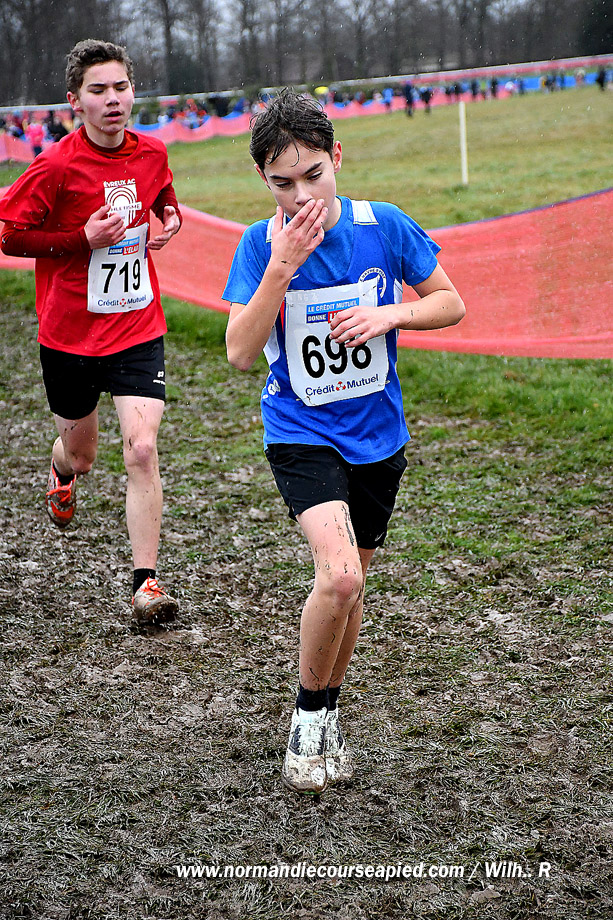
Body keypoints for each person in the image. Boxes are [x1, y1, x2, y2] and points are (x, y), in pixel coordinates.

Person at [223, 90, 465, 794]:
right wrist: (279, 268)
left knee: (350, 589)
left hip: (378, 436)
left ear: (337, 157)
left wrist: (389, 315)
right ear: (263, 180)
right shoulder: (258, 243)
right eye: (282, 183)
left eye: (312, 175)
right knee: (340, 577)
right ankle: (304, 721)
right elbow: (239, 352)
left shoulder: (381, 225)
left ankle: (328, 712)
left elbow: (450, 302)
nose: (301, 196)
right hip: (300, 430)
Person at [0, 39, 182, 625]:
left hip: (137, 325)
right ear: (75, 101)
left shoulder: (152, 152)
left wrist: (170, 215)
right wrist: (81, 239)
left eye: (121, 87)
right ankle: (61, 469)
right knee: (83, 457)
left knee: (143, 449)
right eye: (98, 90)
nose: (113, 100)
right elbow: (9, 235)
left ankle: (145, 583)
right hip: (70, 336)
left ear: (133, 91)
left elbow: (162, 192)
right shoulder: (55, 165)